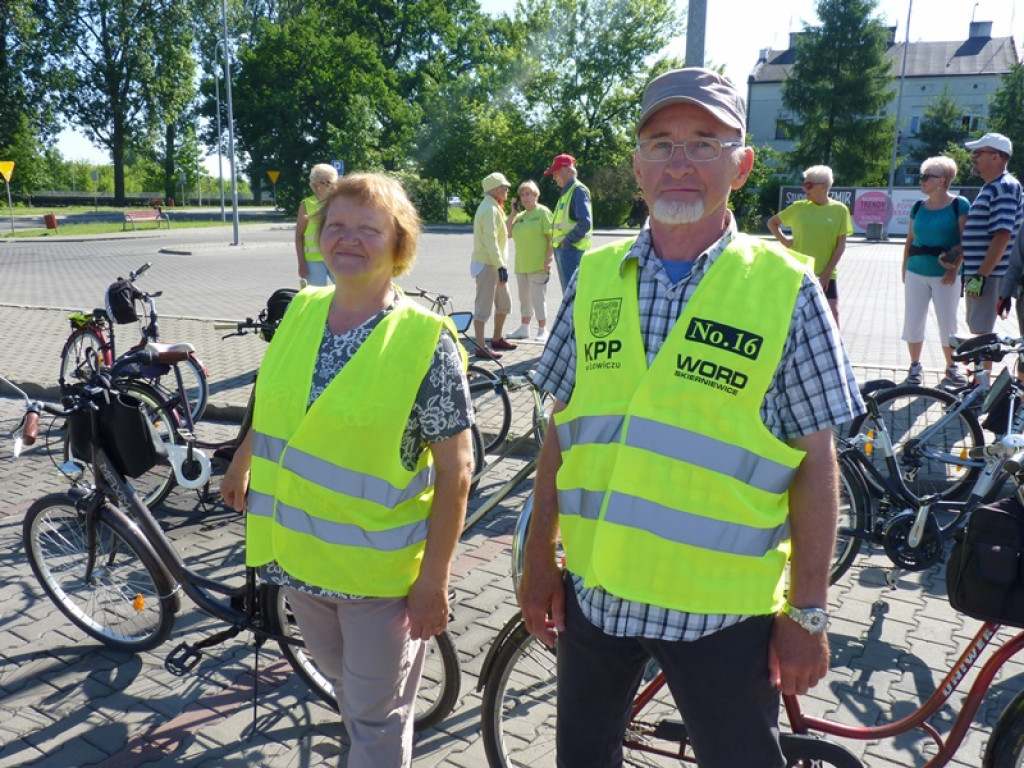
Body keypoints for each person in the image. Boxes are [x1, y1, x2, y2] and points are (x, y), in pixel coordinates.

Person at [518, 67, 863, 768]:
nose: (679, 162)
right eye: (661, 143)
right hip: (596, 600)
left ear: (742, 165)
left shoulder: (784, 288)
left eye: (704, 143)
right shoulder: (595, 278)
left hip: (721, 619)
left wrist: (809, 611)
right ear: (637, 165)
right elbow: (561, 429)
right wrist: (535, 557)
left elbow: (817, 465)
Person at [221, 173, 474, 768]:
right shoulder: (302, 311)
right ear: (317, 236)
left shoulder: (423, 342)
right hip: (298, 560)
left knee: (373, 717)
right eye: (336, 226)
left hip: (378, 582)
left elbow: (456, 471)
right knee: (347, 688)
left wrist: (433, 580)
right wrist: (242, 457)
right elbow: (278, 402)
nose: (348, 239)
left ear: (399, 243)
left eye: (368, 229)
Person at [900, 156, 970, 387]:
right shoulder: (918, 206)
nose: (922, 180)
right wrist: (904, 268)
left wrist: (955, 267)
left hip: (946, 276)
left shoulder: (960, 204)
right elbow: (910, 239)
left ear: (943, 180)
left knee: (948, 323)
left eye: (927, 176)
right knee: (913, 320)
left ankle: (951, 367)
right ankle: (914, 367)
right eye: (922, 175)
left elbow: (965, 240)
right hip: (916, 271)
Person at [767, 165, 852, 326]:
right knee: (794, 318)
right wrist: (785, 241)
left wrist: (827, 273)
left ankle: (834, 351)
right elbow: (772, 223)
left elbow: (841, 246)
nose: (804, 188)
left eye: (809, 185)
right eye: (804, 184)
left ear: (824, 186)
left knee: (833, 315)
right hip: (799, 272)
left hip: (826, 275)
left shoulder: (840, 210)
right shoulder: (799, 207)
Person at [962, 132, 1024, 338]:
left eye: (978, 153)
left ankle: (984, 372)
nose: (973, 158)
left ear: (996, 157)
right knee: (979, 332)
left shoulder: (1003, 187)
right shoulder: (993, 187)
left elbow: (1003, 235)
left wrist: (981, 276)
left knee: (982, 335)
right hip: (986, 272)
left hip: (991, 274)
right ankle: (982, 371)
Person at [471, 171, 517, 360]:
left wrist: (513, 213)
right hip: (488, 264)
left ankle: (497, 338)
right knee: (483, 307)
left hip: (495, 264)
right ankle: (481, 346)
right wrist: (500, 266)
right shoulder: (488, 209)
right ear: (496, 190)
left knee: (504, 304)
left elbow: (502, 234)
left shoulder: (494, 207)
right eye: (505, 188)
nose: (507, 190)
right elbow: (490, 241)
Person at [506, 180, 554, 342]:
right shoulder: (520, 216)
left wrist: (548, 260)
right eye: (522, 195)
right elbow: (508, 233)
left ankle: (543, 330)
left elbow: (551, 238)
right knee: (524, 300)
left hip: (538, 265)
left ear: (535, 195)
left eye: (528, 194)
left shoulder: (543, 213)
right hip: (521, 266)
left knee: (538, 299)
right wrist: (513, 212)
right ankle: (524, 328)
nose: (525, 198)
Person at [544, 153, 593, 290]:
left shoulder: (578, 190)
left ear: (568, 170)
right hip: (565, 250)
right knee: (569, 294)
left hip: (572, 250)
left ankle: (575, 313)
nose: (554, 177)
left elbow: (585, 223)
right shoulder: (567, 192)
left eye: (556, 172)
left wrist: (567, 242)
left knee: (573, 295)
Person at [294, 163, 339, 286]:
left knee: (347, 291)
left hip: (335, 257)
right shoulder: (306, 204)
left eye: (335, 181)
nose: (333, 185)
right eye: (329, 182)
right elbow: (299, 236)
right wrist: (301, 263)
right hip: (313, 261)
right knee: (316, 295)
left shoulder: (337, 202)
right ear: (317, 184)